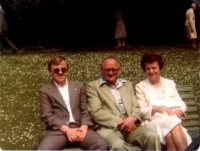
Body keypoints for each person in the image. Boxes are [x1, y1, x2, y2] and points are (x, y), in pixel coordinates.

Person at [86, 56, 161, 151]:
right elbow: (96, 112)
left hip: (132, 127)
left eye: (114, 69)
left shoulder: (127, 85)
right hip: (109, 129)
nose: (110, 72)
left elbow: (136, 106)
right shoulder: (93, 86)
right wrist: (122, 123)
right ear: (101, 70)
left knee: (152, 136)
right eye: (107, 69)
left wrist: (132, 118)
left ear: (119, 70)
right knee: (118, 146)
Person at [37, 56, 107, 150]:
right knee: (44, 149)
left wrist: (84, 127)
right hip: (58, 130)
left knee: (100, 144)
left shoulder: (79, 86)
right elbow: (47, 115)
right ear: (50, 72)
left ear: (67, 70)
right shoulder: (45, 90)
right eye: (56, 70)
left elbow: (85, 110)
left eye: (63, 69)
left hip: (79, 128)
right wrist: (67, 130)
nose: (60, 72)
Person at [135, 52, 192, 151]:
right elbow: (141, 111)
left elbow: (181, 104)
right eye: (148, 69)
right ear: (145, 70)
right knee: (173, 121)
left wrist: (180, 111)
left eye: (154, 68)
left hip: (171, 122)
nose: (151, 71)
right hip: (153, 123)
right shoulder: (140, 86)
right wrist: (154, 109)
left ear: (159, 68)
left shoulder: (170, 83)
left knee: (169, 135)